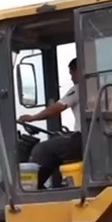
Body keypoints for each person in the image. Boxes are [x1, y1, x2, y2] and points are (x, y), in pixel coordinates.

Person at [17, 58, 84, 189]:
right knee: (58, 143)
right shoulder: (98, 86)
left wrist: (32, 118)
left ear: (80, 70)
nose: (71, 78)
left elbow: (57, 108)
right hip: (96, 139)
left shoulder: (80, 88)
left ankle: (30, 190)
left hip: (84, 140)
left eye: (72, 74)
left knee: (43, 149)